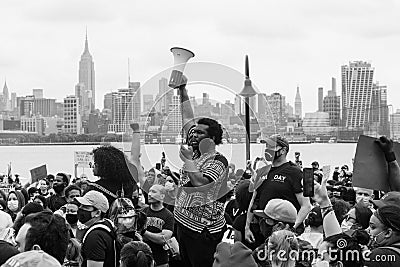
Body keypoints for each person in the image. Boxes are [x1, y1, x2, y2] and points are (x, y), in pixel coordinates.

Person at [173, 77, 229, 267]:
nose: (194, 135)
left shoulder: (218, 160)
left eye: (199, 134)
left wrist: (188, 160)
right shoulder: (196, 150)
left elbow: (200, 183)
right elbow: (188, 118)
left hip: (203, 231)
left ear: (212, 139)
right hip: (183, 224)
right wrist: (183, 91)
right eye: (194, 133)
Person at [245, 134, 312, 244]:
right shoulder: (262, 171)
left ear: (283, 150)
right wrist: (247, 227)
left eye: (271, 147)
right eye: (266, 146)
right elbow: (254, 200)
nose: (267, 149)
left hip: (286, 230)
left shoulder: (295, 172)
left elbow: (306, 205)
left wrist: (293, 228)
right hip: (263, 228)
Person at [75, 190, 117, 267]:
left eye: (85, 207)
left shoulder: (95, 236)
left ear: (97, 213)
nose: (80, 209)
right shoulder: (107, 226)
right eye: (80, 205)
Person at [142, 184, 174, 267]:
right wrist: (156, 236)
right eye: (149, 191)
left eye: (153, 192)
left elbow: (164, 239)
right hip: (143, 260)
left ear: (162, 196)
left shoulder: (168, 215)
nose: (149, 194)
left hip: (160, 261)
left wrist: (144, 233)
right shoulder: (142, 212)